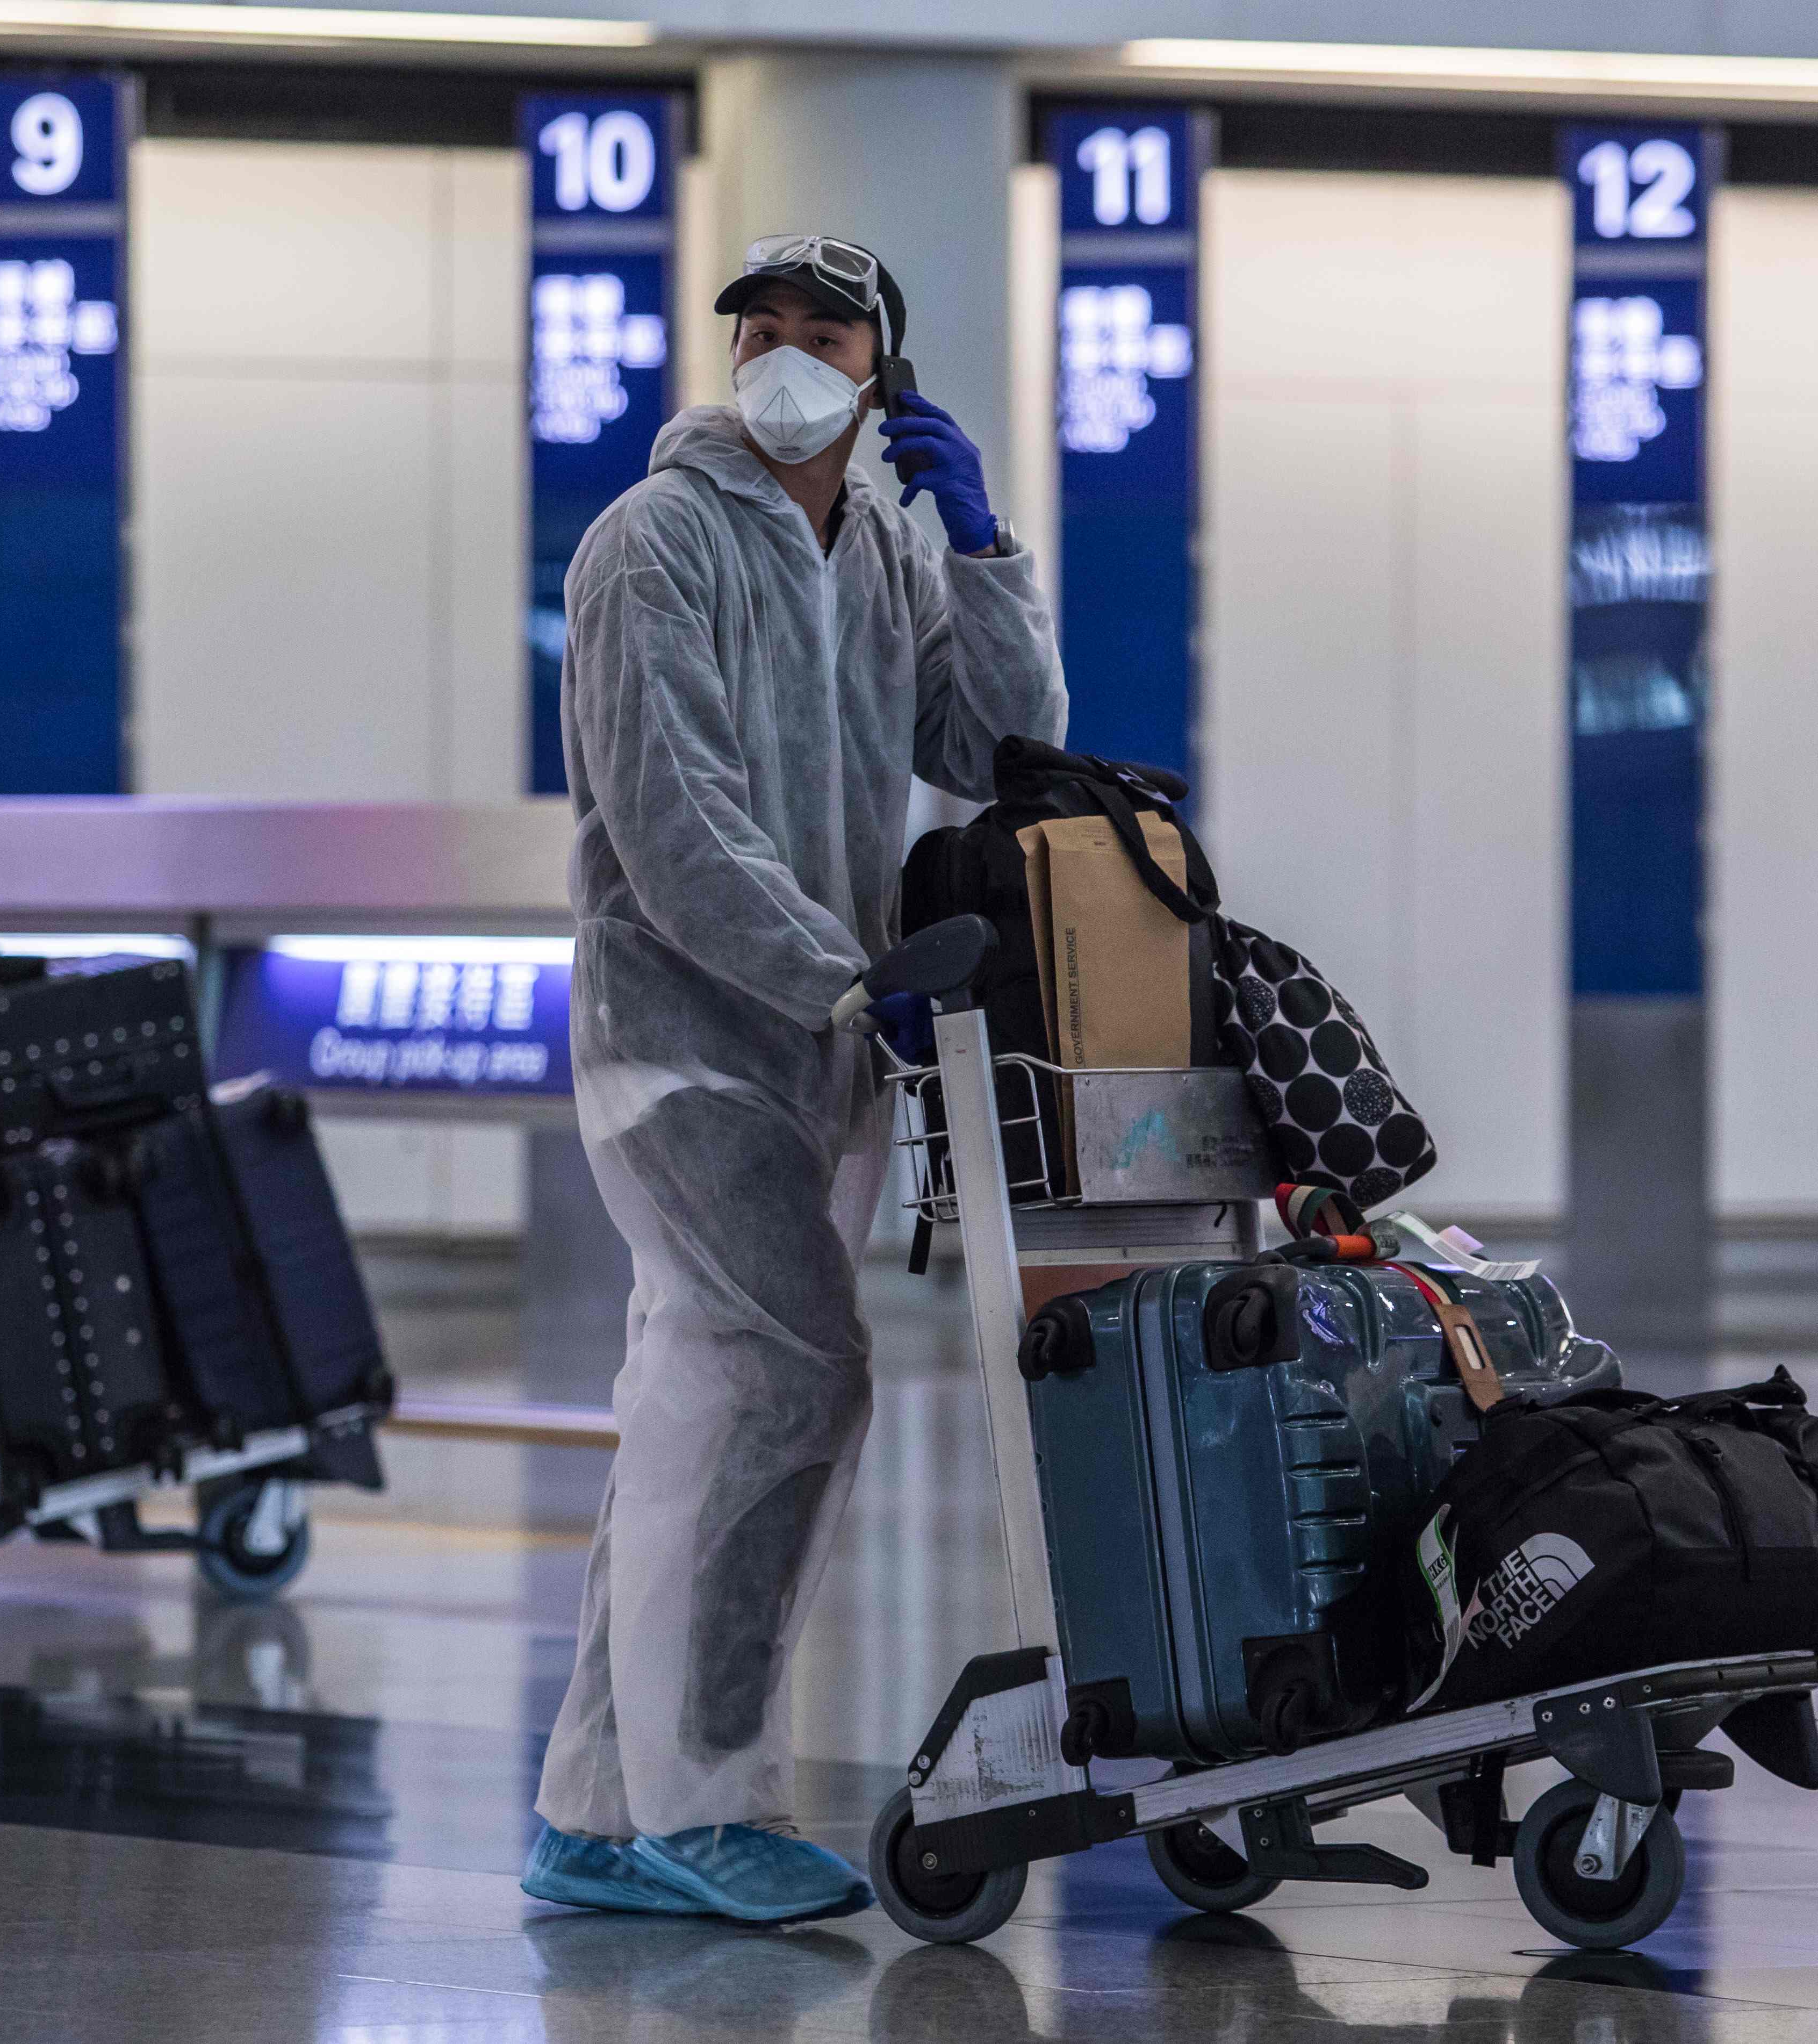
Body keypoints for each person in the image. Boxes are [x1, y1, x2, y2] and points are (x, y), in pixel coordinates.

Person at [526, 235, 1067, 1920]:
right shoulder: (654, 543)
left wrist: (980, 549)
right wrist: (850, 982)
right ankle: (692, 1802)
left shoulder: (883, 558)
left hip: (815, 1052)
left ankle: (598, 1812)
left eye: (819, 327)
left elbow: (1001, 752)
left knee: (705, 1393)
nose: (778, 348)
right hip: (684, 1042)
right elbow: (673, 827)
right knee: (779, 1377)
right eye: (756, 324)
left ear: (877, 370)